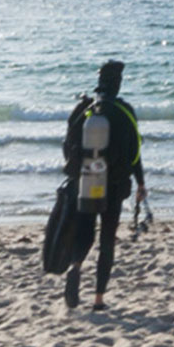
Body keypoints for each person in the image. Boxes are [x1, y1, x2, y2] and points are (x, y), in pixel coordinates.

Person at [62, 60, 146, 311]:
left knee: (85, 229)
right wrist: (141, 183)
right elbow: (135, 153)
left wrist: (78, 175)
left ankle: (75, 266)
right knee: (108, 238)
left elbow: (68, 147)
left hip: (87, 180)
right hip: (115, 185)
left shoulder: (84, 109)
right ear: (118, 84)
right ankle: (98, 299)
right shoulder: (125, 111)